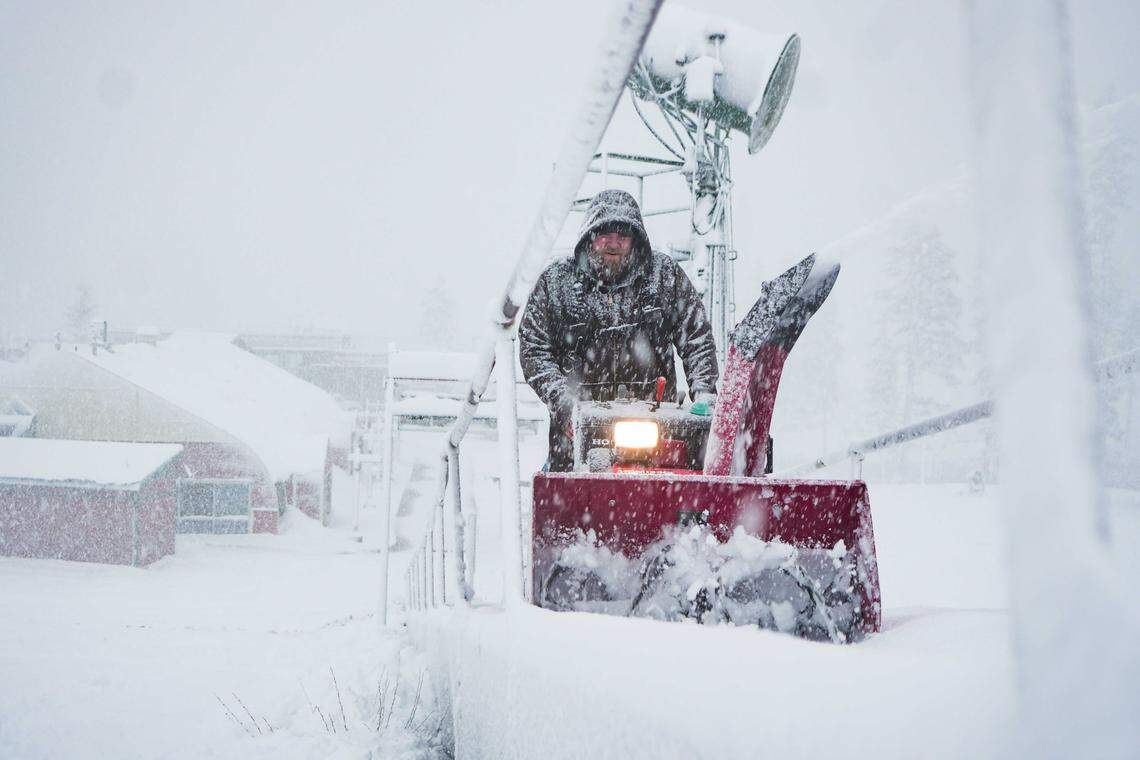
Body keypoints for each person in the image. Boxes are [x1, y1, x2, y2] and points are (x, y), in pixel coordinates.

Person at [519, 189, 719, 471]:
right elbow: (533, 347)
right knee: (563, 502)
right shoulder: (556, 283)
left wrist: (704, 393)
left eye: (623, 235)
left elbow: (696, 338)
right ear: (589, 235)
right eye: (605, 234)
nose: (614, 243)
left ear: (636, 239)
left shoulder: (664, 277)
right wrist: (563, 403)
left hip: (658, 428)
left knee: (677, 501)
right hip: (576, 430)